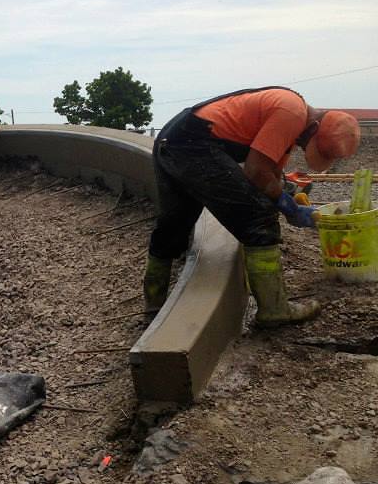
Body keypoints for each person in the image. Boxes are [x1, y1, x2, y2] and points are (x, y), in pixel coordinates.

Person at [143, 86, 360, 327]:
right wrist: (290, 209)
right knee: (258, 219)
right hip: (194, 144)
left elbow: (270, 173)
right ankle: (274, 310)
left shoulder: (291, 116)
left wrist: (286, 198)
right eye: (313, 146)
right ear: (315, 129)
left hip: (173, 141)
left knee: (174, 224)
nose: (303, 149)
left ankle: (154, 305)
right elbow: (255, 171)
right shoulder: (291, 112)